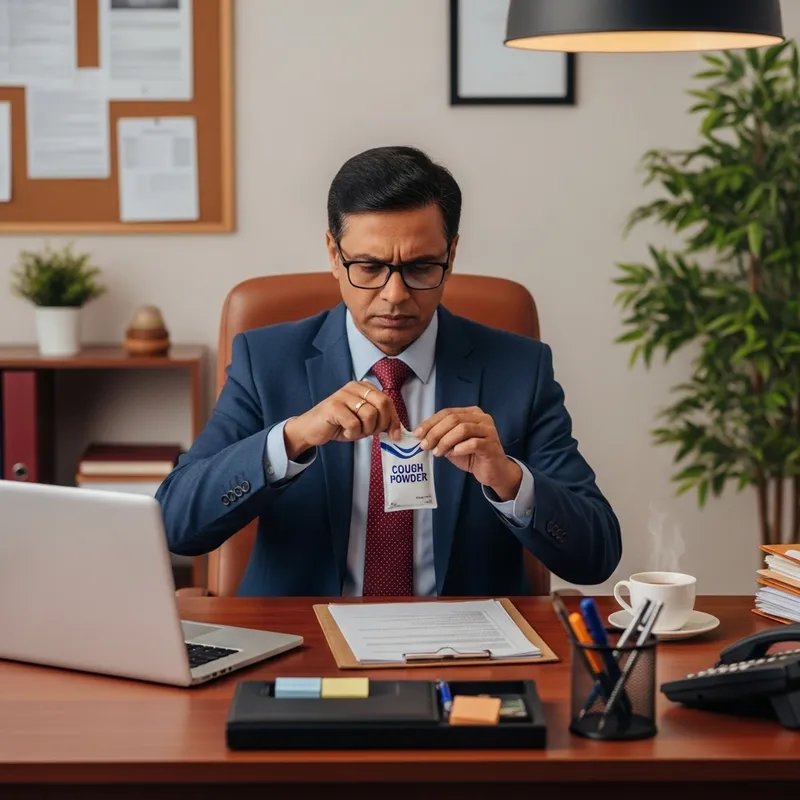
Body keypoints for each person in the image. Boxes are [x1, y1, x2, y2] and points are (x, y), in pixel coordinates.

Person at [156, 145, 622, 596]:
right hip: (305, 639)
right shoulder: (267, 361)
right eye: (370, 266)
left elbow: (596, 556)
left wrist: (508, 479)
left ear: (451, 255)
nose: (395, 294)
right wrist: (293, 437)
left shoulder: (519, 369)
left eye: (421, 267)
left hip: (466, 649)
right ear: (333, 254)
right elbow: (174, 525)